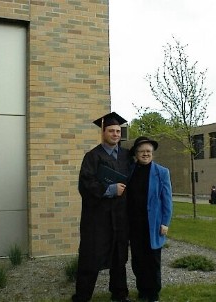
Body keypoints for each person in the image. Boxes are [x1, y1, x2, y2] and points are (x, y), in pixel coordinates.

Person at [72, 112, 132, 302]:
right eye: (111, 131)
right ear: (103, 133)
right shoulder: (92, 156)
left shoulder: (126, 156)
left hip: (120, 216)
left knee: (119, 258)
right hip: (97, 219)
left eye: (118, 131)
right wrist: (109, 189)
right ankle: (82, 297)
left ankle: (119, 295)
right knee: (90, 258)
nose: (115, 134)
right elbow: (85, 184)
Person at [127, 136, 173, 302]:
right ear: (136, 154)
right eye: (142, 151)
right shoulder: (130, 170)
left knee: (152, 260)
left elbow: (167, 199)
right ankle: (142, 290)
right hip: (134, 224)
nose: (145, 154)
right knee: (138, 260)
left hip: (153, 224)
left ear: (152, 153)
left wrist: (165, 222)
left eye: (148, 151)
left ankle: (153, 293)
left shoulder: (162, 172)